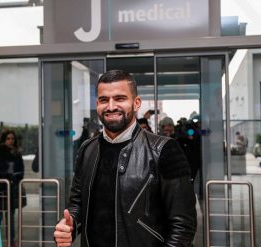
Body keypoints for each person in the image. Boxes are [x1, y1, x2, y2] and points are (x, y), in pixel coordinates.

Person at [54, 70, 197, 247]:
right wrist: (70, 227)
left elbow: (183, 225)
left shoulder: (165, 150)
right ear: (97, 103)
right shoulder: (87, 149)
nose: (111, 106)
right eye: (104, 100)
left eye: (120, 98)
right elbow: (77, 204)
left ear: (136, 103)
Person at [0, 129, 26, 247]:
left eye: (12, 138)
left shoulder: (16, 153)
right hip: (0, 188)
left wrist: (16, 179)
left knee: (10, 219)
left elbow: (21, 169)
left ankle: (11, 242)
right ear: (3, 139)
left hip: (12, 188)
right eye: (8, 138)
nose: (11, 141)